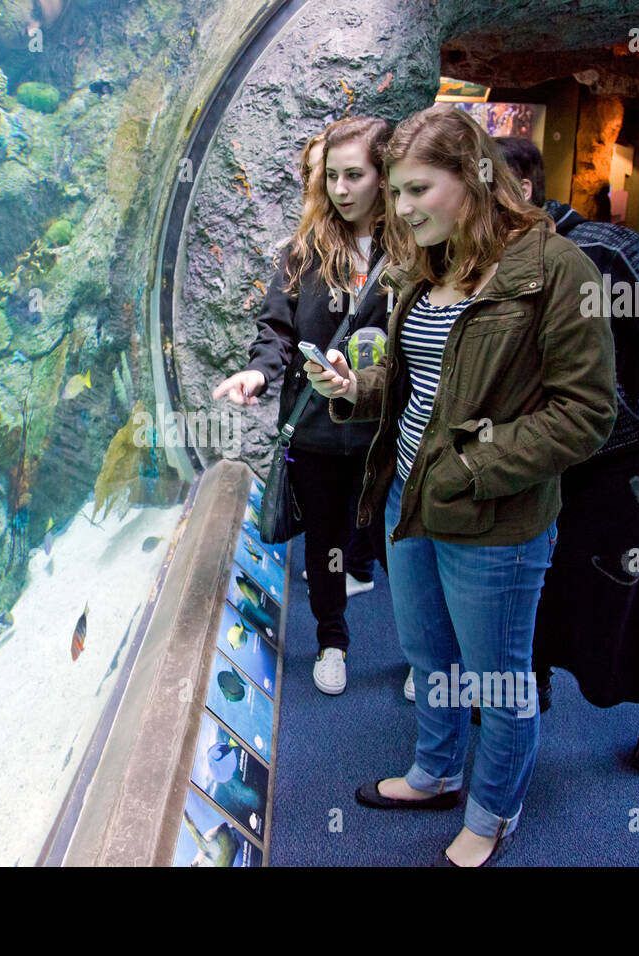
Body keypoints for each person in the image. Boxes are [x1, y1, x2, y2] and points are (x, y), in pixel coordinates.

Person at [307, 104, 616, 865]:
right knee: (427, 656)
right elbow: (421, 389)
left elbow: (587, 413)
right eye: (398, 194)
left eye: (418, 191)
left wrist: (473, 468)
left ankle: (491, 814)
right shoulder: (432, 263)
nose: (403, 210)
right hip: (412, 502)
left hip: (495, 521)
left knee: (499, 681)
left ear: (476, 179)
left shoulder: (556, 269)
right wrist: (356, 387)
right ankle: (437, 773)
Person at [497, 136, 639, 773]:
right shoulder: (485, 260)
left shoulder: (607, 248)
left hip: (624, 458)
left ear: (519, 187)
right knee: (536, 579)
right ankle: (529, 685)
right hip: (539, 461)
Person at [213, 117, 396, 696]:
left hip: (392, 430)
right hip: (319, 430)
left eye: (355, 175)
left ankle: (425, 656)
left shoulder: (416, 248)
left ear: (383, 174)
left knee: (404, 542)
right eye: (333, 177)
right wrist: (258, 373)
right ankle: (332, 641)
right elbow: (277, 329)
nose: (341, 189)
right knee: (328, 543)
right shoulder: (307, 249)